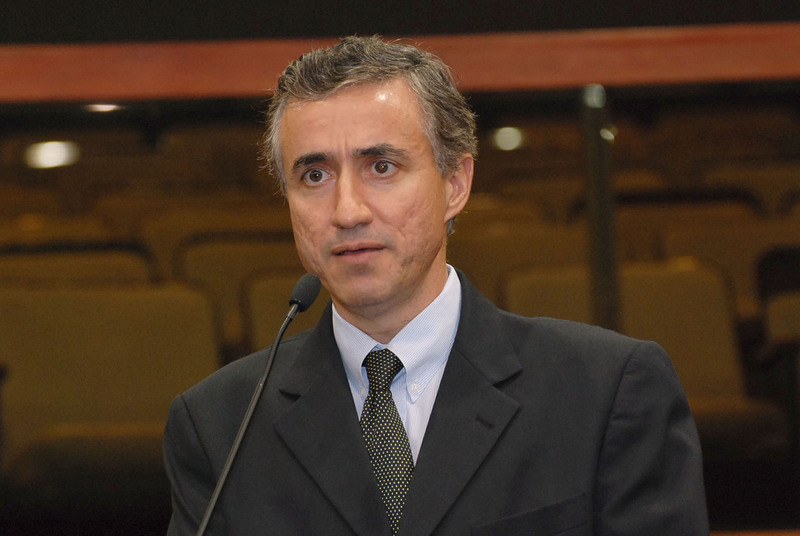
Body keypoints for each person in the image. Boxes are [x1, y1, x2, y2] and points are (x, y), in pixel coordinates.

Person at [163, 36, 709, 535]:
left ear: (455, 184)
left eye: (381, 167)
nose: (347, 211)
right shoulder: (220, 425)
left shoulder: (606, 391)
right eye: (315, 176)